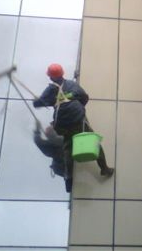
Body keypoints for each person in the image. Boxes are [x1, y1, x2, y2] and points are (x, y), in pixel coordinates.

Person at [33, 63, 114, 193]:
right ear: (62, 73)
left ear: (50, 77)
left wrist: (40, 100)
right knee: (93, 141)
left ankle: (68, 178)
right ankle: (104, 168)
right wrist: (78, 106)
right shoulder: (71, 84)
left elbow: (37, 104)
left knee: (67, 149)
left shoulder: (51, 90)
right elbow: (84, 97)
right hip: (77, 118)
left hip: (63, 123)